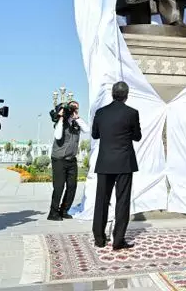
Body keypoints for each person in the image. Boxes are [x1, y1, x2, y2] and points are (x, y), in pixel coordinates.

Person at [92, 81, 142, 249]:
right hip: (124, 163)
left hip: (105, 162)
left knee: (101, 201)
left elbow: (95, 134)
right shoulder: (132, 113)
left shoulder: (100, 112)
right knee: (122, 202)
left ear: (112, 94)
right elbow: (137, 137)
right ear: (126, 95)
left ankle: (99, 239)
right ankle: (118, 241)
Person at [48, 100, 87, 221]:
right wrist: (60, 117)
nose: (74, 110)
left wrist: (78, 118)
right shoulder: (60, 123)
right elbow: (58, 136)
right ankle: (53, 213)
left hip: (71, 160)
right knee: (59, 187)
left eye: (76, 108)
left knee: (72, 186)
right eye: (72, 108)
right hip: (59, 159)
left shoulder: (76, 123)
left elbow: (87, 130)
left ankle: (64, 210)